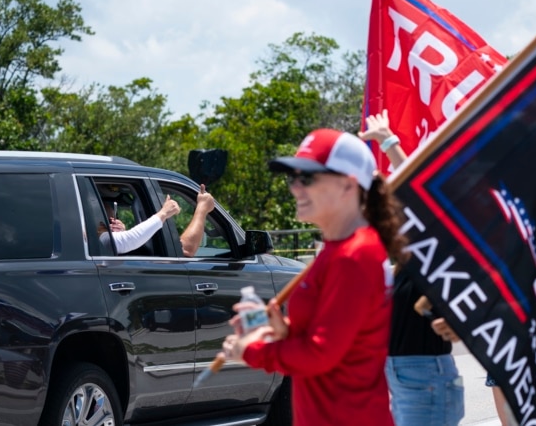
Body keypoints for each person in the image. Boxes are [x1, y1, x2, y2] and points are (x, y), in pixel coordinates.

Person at [220, 128, 408, 426]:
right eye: (292, 178)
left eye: (306, 178)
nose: (295, 188)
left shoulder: (355, 254)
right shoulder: (340, 249)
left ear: (348, 184)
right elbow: (334, 333)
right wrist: (284, 329)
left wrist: (253, 350)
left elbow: (321, 353)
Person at [361, 109, 464, 426]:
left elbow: (415, 193)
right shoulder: (406, 255)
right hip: (405, 372)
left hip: (425, 373)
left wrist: (389, 141)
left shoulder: (440, 235)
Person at [100, 183, 215, 257]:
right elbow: (186, 250)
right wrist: (202, 208)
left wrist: (121, 233)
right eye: (105, 224)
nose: (111, 226)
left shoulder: (95, 245)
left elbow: (126, 240)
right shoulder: (91, 237)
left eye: (111, 222)